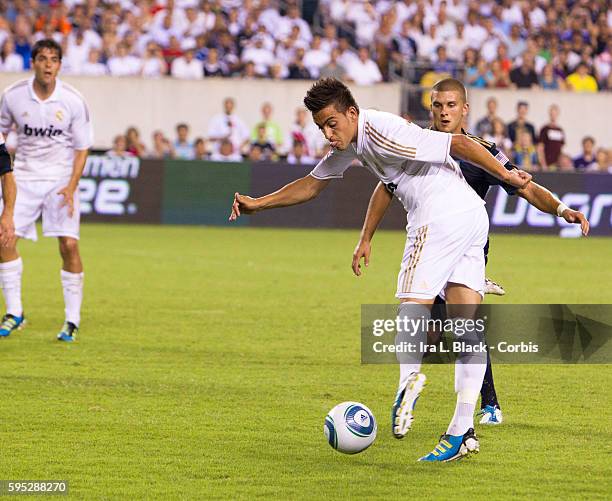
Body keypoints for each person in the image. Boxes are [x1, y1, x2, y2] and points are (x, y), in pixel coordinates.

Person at [230, 77, 533, 462]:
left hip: (438, 215)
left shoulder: (383, 129)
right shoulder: (354, 140)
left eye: (332, 123)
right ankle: (460, 433)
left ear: (351, 113)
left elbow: (458, 143)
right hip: (472, 217)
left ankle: (408, 379)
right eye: (321, 126)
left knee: (412, 303)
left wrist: (506, 176)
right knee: (465, 328)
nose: (327, 133)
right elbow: (312, 184)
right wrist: (259, 203)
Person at [351, 78, 588, 426]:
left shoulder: (482, 151)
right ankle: (458, 415)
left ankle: (486, 405)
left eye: (450, 106)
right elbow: (385, 187)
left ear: (465, 109)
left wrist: (561, 210)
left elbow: (524, 186)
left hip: (465, 246)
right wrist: (366, 237)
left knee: (464, 326)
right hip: (432, 242)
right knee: (435, 335)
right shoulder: (415, 141)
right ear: (430, 108)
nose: (444, 113)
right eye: (437, 106)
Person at [0, 39, 93, 341]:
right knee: (4, 238)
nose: (48, 64)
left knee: (69, 245)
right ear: (34, 63)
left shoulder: (73, 100)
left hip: (60, 179)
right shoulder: (13, 96)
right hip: (24, 176)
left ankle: (72, 319)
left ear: (60, 65)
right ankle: (15, 312)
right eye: (42, 58)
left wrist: (71, 186)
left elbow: (82, 148)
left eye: (54, 59)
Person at [537, 105, 565, 170]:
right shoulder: (545, 129)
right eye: (552, 113)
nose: (553, 115)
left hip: (557, 165)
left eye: (555, 113)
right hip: (547, 164)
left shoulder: (560, 130)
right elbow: (540, 147)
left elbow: (561, 147)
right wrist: (543, 164)